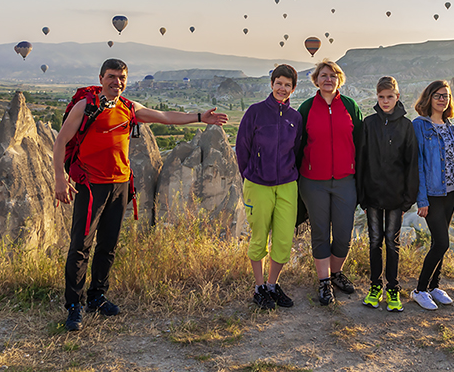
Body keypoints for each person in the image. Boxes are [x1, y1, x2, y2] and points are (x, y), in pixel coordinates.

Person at [53, 59, 228, 332]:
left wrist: (198, 118)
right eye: (111, 77)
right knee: (80, 246)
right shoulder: (85, 107)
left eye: (121, 77)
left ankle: (97, 297)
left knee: (108, 246)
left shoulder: (128, 108)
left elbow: (165, 117)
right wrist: (59, 179)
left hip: (121, 184)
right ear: (101, 78)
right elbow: (61, 141)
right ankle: (74, 305)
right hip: (91, 185)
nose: (117, 82)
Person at [236, 64, 303, 311]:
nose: (282, 88)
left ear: (293, 89)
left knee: (284, 240)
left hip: (286, 185)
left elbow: (296, 151)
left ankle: (273, 285)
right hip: (258, 184)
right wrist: (250, 174)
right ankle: (259, 287)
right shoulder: (254, 113)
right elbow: (242, 148)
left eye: (288, 85)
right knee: (259, 238)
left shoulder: (295, 118)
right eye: (279, 83)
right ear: (271, 83)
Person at [297, 59, 362, 305]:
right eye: (324, 75)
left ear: (339, 80)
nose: (328, 79)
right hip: (313, 181)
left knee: (344, 234)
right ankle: (324, 282)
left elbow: (360, 141)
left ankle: (336, 273)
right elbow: (298, 143)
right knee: (320, 232)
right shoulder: (306, 108)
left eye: (333, 75)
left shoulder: (350, 106)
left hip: (345, 179)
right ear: (316, 79)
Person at [357, 76, 418, 312]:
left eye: (390, 97)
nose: (385, 101)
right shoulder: (369, 124)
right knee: (374, 242)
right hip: (372, 195)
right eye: (381, 97)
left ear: (397, 97)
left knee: (392, 243)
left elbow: (411, 164)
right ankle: (374, 287)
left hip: (396, 197)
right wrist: (361, 195)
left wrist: (408, 198)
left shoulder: (406, 126)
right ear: (377, 97)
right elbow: (361, 161)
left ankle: (392, 289)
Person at [411, 80, 454, 311]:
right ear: (429, 98)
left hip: (450, 192)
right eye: (438, 95)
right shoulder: (419, 126)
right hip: (432, 193)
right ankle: (419, 290)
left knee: (437, 242)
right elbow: (418, 163)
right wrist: (421, 199)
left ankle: (434, 286)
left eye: (446, 96)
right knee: (442, 242)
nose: (443, 99)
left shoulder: (451, 127)